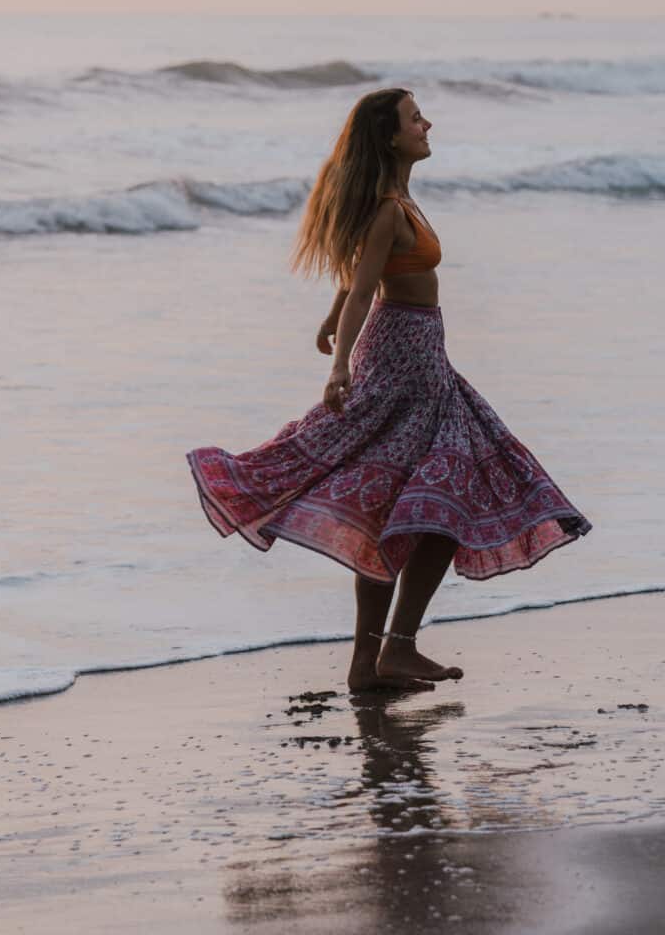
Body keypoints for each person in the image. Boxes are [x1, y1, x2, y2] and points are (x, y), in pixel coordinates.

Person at [186, 88, 592, 691]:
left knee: (413, 504)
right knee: (435, 501)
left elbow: (357, 275)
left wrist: (331, 317)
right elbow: (363, 288)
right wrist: (340, 361)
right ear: (390, 137)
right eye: (414, 119)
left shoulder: (402, 200)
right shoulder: (387, 209)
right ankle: (394, 650)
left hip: (424, 357)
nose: (427, 124)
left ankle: (369, 663)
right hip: (403, 362)